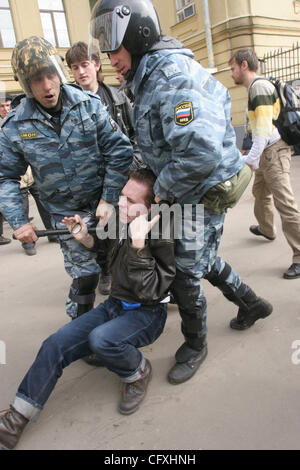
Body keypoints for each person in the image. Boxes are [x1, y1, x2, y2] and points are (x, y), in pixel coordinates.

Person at [89, 0, 273, 385]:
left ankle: (195, 344)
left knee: (186, 270)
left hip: (203, 189)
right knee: (201, 258)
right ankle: (252, 304)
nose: (109, 57)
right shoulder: (146, 77)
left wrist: (159, 190)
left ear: (138, 35)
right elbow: (160, 143)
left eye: (114, 45)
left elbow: (201, 154)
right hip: (186, 187)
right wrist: (143, 179)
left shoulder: (171, 76)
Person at [0, 169, 175, 450]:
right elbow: (104, 250)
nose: (120, 204)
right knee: (55, 343)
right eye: (121, 197)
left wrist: (140, 246)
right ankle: (15, 420)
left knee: (101, 340)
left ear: (150, 206)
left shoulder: (161, 234)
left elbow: (151, 292)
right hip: (115, 305)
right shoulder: (120, 223)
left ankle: (138, 372)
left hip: (147, 314)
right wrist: (84, 237)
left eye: (130, 200)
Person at [0, 36, 133, 322]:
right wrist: (19, 221)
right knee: (85, 277)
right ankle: (81, 331)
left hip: (103, 205)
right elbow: (5, 176)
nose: (47, 86)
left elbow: (119, 149)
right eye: (37, 79)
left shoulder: (89, 105)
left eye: (50, 75)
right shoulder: (16, 125)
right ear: (25, 82)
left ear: (59, 72)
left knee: (120, 261)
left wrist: (109, 198)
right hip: (66, 215)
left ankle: (123, 317)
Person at [65, 41, 143, 295]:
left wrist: (130, 170)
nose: (81, 72)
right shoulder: (68, 105)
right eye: (75, 67)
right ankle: (106, 270)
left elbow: (136, 138)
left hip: (120, 177)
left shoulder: (119, 99)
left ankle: (131, 274)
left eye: (85, 64)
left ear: (97, 65)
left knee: (125, 229)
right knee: (97, 230)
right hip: (87, 181)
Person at [229, 48, 300, 280]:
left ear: (244, 66)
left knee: (285, 204)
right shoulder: (257, 86)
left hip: (272, 152)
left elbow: (262, 130)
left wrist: (249, 160)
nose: (231, 74)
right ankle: (267, 229)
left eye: (232, 68)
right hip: (266, 151)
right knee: (260, 192)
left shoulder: (258, 88)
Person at [0, 94, 13, 246]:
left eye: (8, 105)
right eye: (2, 106)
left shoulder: (18, 122)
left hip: (27, 175)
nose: (5, 109)